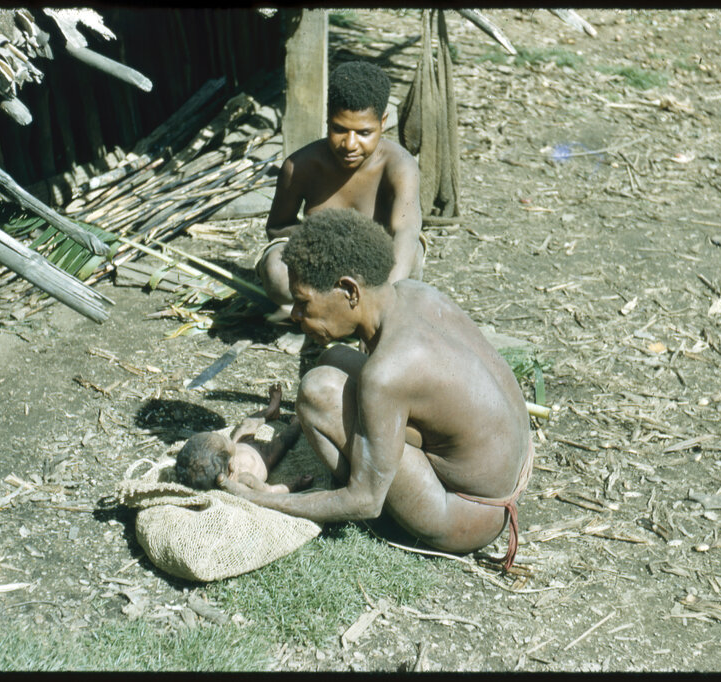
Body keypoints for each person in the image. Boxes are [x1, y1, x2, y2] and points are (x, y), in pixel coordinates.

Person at [221, 208, 533, 570]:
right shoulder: (414, 293)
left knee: (319, 392)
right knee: (334, 358)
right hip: (511, 470)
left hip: (470, 514)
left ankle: (389, 510)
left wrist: (262, 500)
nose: (295, 316)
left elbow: (366, 500)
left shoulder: (388, 373)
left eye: (304, 303)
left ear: (349, 290)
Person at [256, 60, 424, 320]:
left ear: (383, 122)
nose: (350, 144)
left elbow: (406, 231)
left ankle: (379, 316)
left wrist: (382, 306)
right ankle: (312, 316)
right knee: (276, 271)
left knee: (411, 256)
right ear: (327, 119)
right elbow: (277, 228)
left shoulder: (399, 166)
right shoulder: (300, 166)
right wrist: (324, 247)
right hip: (320, 262)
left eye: (364, 132)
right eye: (339, 129)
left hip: (377, 266)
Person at [176, 384, 311, 494]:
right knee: (285, 439)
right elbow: (269, 491)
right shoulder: (244, 479)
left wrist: (233, 444)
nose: (223, 435)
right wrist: (294, 484)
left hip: (241, 443)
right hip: (266, 456)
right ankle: (297, 423)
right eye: (225, 441)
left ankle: (271, 410)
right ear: (231, 466)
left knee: (247, 423)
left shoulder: (225, 459)